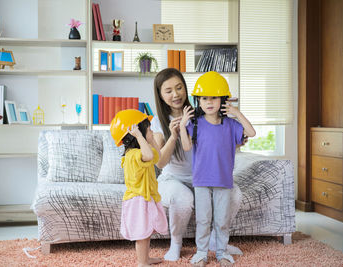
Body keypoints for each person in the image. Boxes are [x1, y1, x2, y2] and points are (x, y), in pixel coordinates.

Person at [151, 68, 243, 262]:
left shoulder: (203, 114)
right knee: (182, 198)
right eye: (168, 91)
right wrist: (175, 134)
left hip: (203, 178)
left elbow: (220, 147)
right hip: (173, 180)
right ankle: (176, 243)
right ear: (160, 95)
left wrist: (236, 139)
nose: (175, 94)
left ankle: (215, 240)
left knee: (234, 193)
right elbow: (159, 162)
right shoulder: (158, 122)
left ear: (186, 89)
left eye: (179, 87)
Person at [179, 71, 256, 266]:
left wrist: (236, 112)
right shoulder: (195, 124)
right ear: (198, 101)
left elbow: (251, 132)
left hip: (223, 181)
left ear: (223, 100)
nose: (209, 102)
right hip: (201, 181)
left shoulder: (231, 125)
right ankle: (202, 253)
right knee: (203, 220)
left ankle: (222, 253)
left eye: (214, 97)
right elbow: (187, 146)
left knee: (222, 221)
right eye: (204, 98)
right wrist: (182, 125)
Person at [110, 109, 169, 267]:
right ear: (136, 133)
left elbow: (158, 157)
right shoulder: (132, 155)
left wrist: (151, 140)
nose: (151, 131)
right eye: (148, 128)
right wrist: (141, 136)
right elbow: (149, 156)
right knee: (142, 234)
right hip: (137, 200)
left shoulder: (142, 151)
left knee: (146, 232)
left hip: (146, 197)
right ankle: (142, 263)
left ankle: (145, 258)